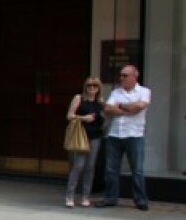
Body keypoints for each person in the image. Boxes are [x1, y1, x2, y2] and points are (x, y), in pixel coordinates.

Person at [95, 65, 152, 211]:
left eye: (125, 75)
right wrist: (127, 108)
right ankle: (110, 198)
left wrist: (119, 106)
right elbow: (107, 109)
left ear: (134, 76)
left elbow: (138, 107)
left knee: (137, 170)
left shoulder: (144, 91)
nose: (121, 78)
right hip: (115, 134)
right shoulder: (116, 92)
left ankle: (140, 200)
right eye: (121, 75)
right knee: (111, 169)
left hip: (134, 135)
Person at [65, 76, 105, 208]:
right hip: (81, 135)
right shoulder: (79, 98)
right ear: (85, 87)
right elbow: (70, 115)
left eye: (95, 86)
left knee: (90, 167)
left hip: (96, 136)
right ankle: (70, 195)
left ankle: (85, 197)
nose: (92, 88)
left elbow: (104, 117)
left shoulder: (100, 102)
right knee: (78, 165)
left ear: (99, 88)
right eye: (89, 86)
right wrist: (83, 118)